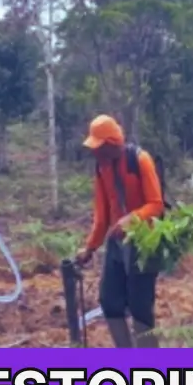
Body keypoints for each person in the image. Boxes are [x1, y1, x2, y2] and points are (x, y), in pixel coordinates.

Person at [73, 115, 165, 347]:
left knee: (139, 306)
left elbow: (156, 204)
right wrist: (90, 247)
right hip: (116, 243)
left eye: (99, 147)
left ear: (112, 144)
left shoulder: (140, 160)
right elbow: (102, 215)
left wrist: (131, 219)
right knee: (110, 301)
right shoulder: (101, 168)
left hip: (144, 240)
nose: (96, 153)